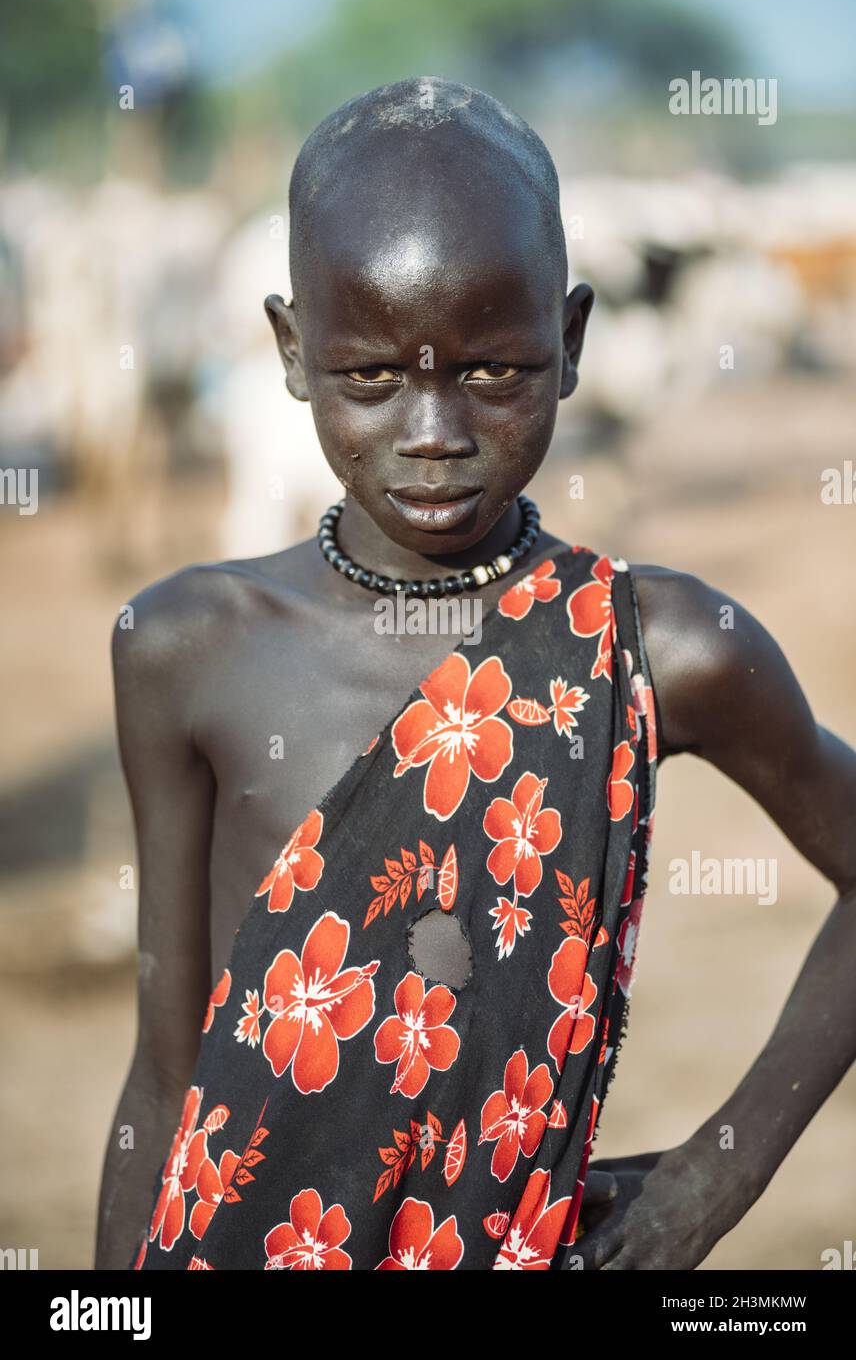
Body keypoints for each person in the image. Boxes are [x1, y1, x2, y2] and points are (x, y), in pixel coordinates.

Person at [95, 78, 856, 1271]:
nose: (435, 430)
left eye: (495, 373)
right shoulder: (185, 644)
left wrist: (713, 1176)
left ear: (571, 339)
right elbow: (165, 1072)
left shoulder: (657, 643)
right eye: (370, 377)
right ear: (294, 352)